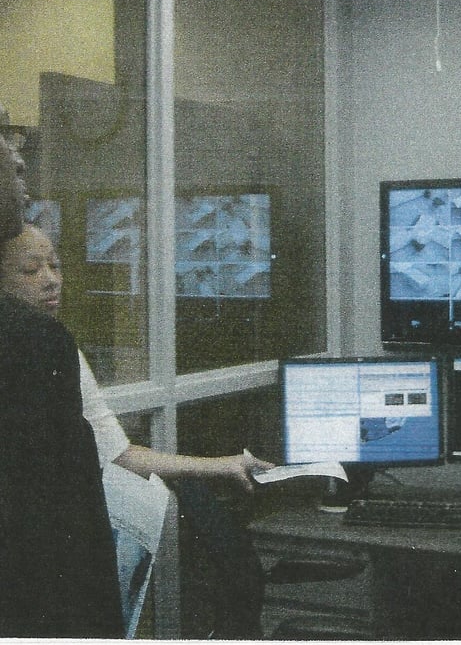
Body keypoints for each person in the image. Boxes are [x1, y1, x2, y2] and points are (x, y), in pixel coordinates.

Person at [0, 222, 276, 638]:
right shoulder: (33, 349)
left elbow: (117, 452)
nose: (51, 280)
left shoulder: (57, 347)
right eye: (30, 270)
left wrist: (225, 465)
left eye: (55, 266)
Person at [0, 135, 124, 637]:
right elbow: (66, 525)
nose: (23, 177)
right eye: (13, 165)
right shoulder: (35, 343)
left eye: (56, 265)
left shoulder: (47, 343)